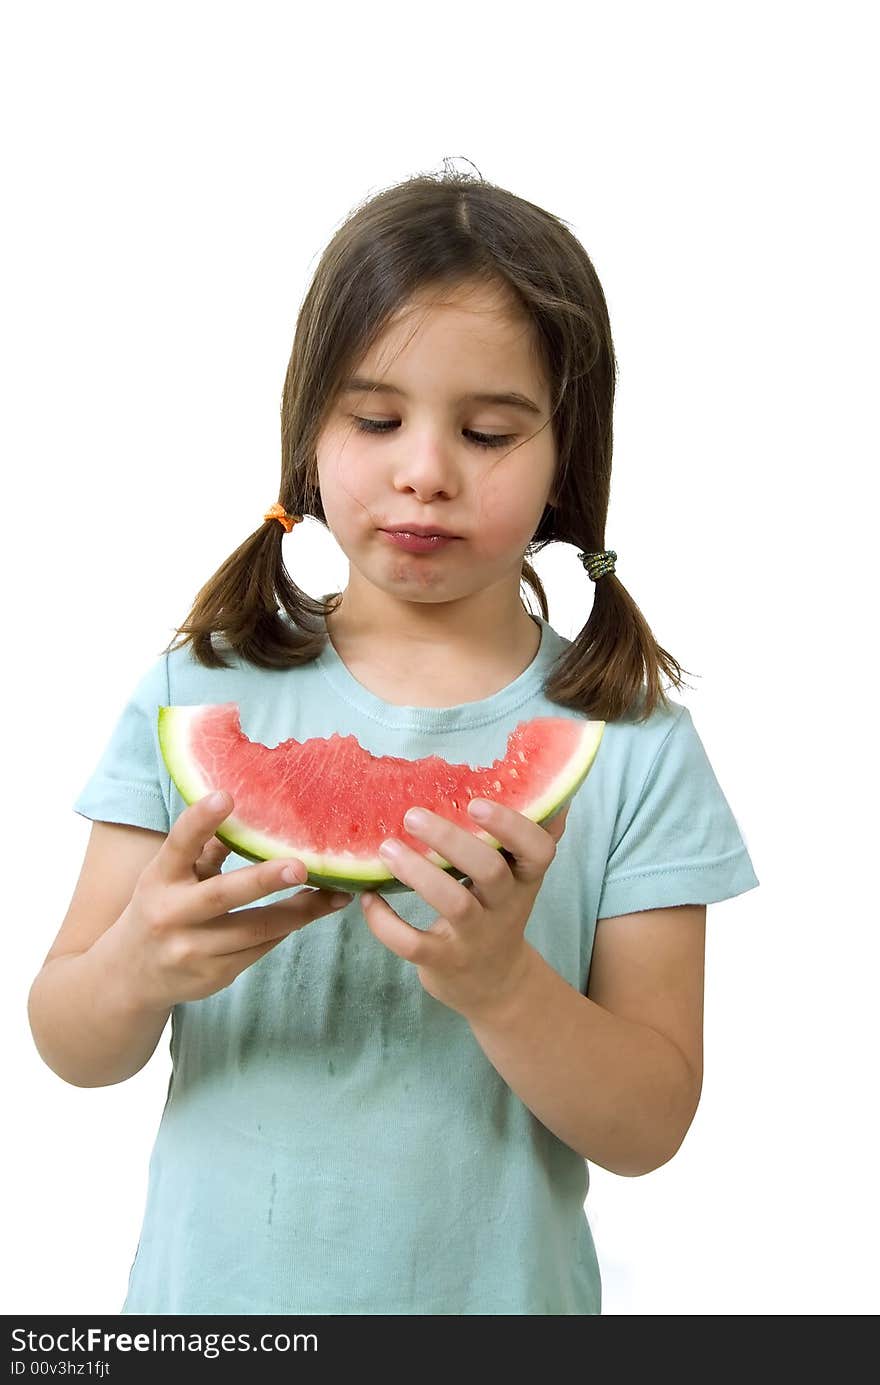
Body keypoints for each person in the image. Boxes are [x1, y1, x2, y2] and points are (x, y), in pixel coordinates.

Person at [28, 164, 759, 1316]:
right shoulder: (192, 693)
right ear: (308, 433)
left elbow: (649, 1123)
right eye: (376, 418)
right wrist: (137, 966)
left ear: (566, 456)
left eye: (487, 430)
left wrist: (501, 985)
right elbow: (68, 1037)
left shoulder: (629, 742)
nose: (425, 467)